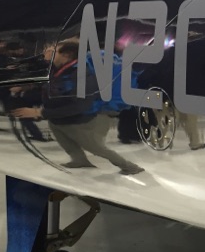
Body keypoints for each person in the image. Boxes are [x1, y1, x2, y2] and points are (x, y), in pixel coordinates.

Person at [11, 41, 143, 174]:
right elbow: (50, 84)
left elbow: (79, 106)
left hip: (78, 120)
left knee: (95, 148)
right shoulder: (57, 69)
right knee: (64, 140)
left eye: (52, 51)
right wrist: (27, 86)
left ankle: (129, 166)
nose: (47, 53)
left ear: (67, 55)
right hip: (58, 117)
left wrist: (39, 112)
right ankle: (79, 160)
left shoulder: (81, 74)